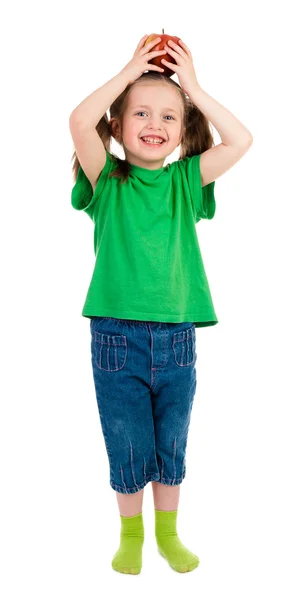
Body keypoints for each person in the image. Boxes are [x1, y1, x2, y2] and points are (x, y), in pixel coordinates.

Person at [69, 34, 253, 576]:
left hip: (177, 335)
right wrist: (130, 72)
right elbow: (80, 121)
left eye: (170, 117)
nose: (155, 123)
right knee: (127, 441)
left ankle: (169, 534)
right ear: (118, 126)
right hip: (115, 337)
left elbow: (241, 140)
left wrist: (191, 87)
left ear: (182, 130)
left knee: (171, 439)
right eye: (141, 113)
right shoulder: (107, 180)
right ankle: (131, 536)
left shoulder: (185, 182)